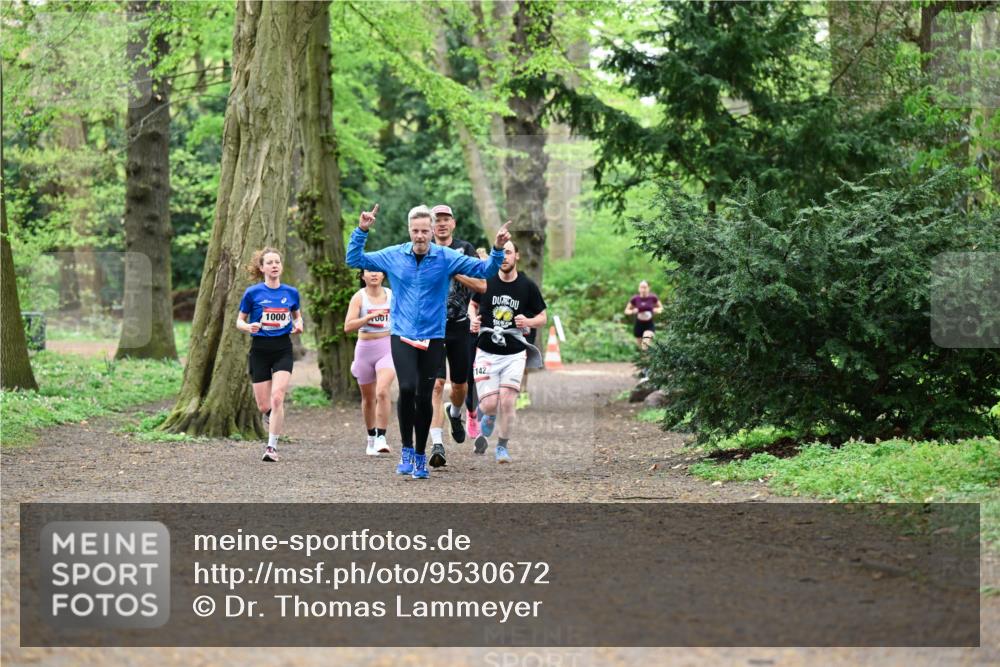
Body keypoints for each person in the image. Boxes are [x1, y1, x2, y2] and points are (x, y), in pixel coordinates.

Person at [346, 203, 511, 480]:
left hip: (434, 335)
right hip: (402, 334)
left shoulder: (445, 257)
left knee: (424, 396)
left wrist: (496, 248)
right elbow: (354, 259)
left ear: (431, 231)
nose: (420, 236)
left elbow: (485, 271)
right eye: (415, 231)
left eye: (425, 230)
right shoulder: (393, 255)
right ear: (409, 231)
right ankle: (407, 450)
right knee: (407, 388)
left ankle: (421, 456)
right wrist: (362, 229)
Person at [469, 241, 547, 463]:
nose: (504, 257)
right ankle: (486, 413)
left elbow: (543, 317)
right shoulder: (487, 281)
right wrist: (473, 320)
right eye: (501, 253)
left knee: (508, 400)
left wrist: (528, 320)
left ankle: (502, 447)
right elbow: (472, 305)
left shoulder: (527, 286)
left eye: (509, 252)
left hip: (514, 352)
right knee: (490, 403)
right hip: (486, 351)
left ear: (517, 256)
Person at [427, 204, 486, 468]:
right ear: (431, 225)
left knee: (460, 386)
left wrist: (456, 272)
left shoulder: (466, 249)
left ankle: (456, 412)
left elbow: (483, 285)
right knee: (437, 385)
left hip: (459, 325)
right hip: (431, 327)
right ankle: (437, 444)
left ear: (453, 223)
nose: (441, 223)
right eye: (436, 220)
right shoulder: (423, 248)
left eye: (445, 219)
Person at [236, 247, 303, 462]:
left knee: (277, 397)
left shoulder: (291, 292)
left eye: (277, 262)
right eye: (270, 262)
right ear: (262, 267)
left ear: (281, 266)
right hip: (259, 350)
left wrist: (299, 325)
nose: (274, 265)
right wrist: (249, 327)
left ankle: (271, 447)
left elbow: (298, 317)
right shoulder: (252, 293)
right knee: (264, 405)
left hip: (282, 348)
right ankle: (273, 416)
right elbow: (239, 321)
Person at [344, 269, 395, 456]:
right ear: (362, 276)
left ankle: (382, 436)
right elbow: (347, 327)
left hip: (388, 347)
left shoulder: (391, 295)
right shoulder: (359, 297)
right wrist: (367, 318)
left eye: (378, 271)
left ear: (383, 275)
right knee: (368, 398)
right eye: (369, 271)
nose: (374, 274)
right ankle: (371, 437)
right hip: (365, 348)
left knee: (382, 391)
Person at [624, 280, 663, 351]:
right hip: (638, 324)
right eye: (641, 287)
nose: (643, 289)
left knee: (646, 340)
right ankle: (647, 358)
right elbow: (626, 311)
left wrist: (656, 310)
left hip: (649, 324)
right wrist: (633, 311)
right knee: (642, 348)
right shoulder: (635, 299)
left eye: (645, 287)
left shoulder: (653, 298)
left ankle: (649, 356)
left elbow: (661, 308)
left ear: (649, 288)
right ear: (639, 288)